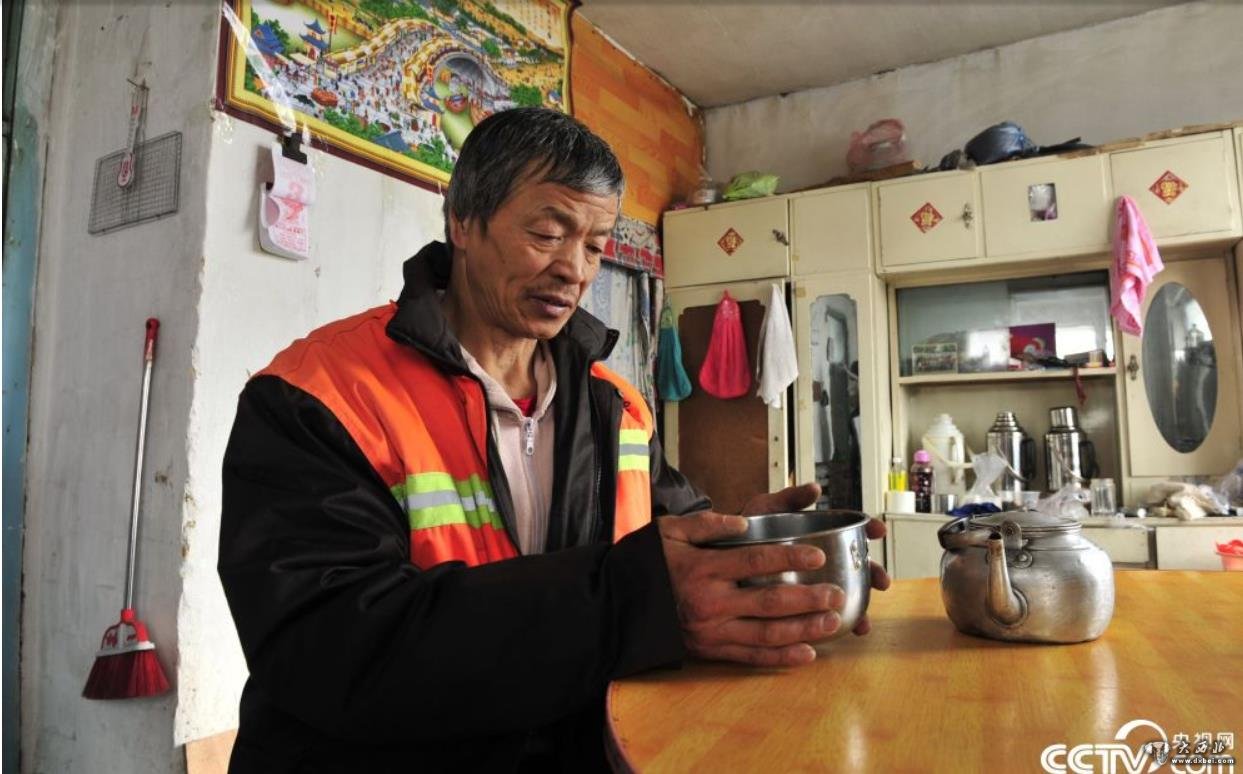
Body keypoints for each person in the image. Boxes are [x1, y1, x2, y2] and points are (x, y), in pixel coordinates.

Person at [219, 107, 889, 772]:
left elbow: (666, 549)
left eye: (594, 246)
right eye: (546, 233)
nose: (575, 270)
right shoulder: (318, 395)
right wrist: (634, 602)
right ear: (462, 221)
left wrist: (750, 550)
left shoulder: (616, 407)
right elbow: (332, 647)